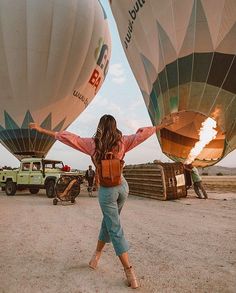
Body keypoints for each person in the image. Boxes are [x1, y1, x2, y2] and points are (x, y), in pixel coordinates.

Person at [29, 114, 175, 289]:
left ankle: (130, 271)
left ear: (99, 127)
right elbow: (142, 135)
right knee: (109, 222)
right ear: (115, 126)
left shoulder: (92, 144)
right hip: (122, 187)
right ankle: (96, 256)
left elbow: (68, 138)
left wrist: (41, 129)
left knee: (114, 228)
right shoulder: (122, 141)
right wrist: (162, 125)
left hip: (107, 191)